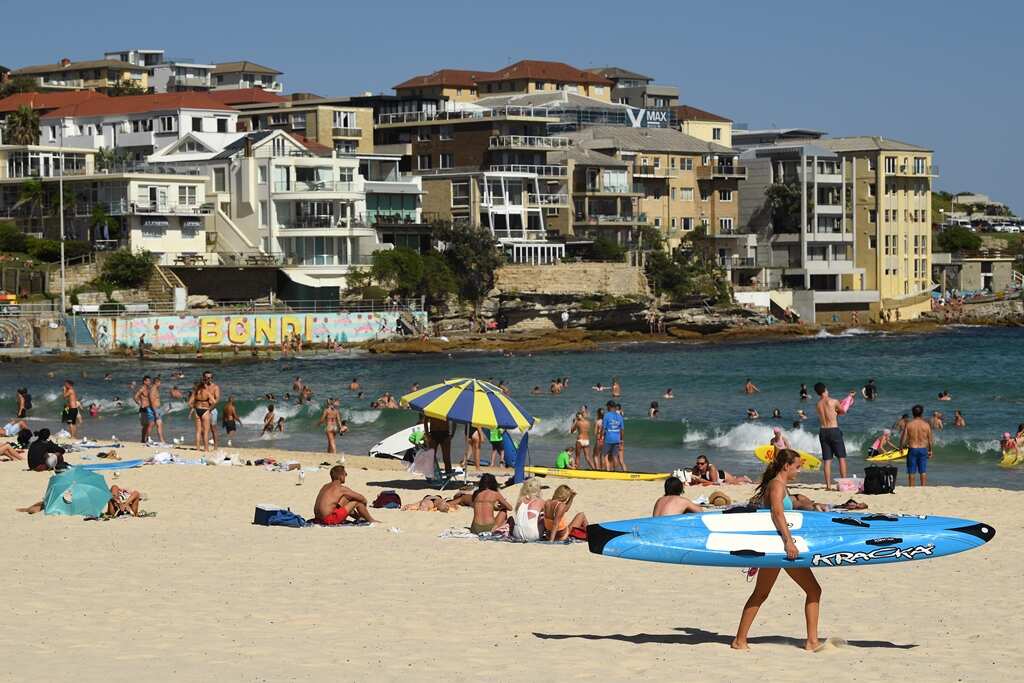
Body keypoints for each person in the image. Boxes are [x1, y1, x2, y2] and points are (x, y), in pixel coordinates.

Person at [733, 448, 822, 651]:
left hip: (774, 546)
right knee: (813, 590)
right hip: (779, 547)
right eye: (797, 467)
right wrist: (789, 542)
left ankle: (740, 640)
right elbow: (777, 513)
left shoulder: (781, 485)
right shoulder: (777, 486)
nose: (798, 471)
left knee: (761, 593)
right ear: (786, 466)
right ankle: (812, 641)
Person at [814, 382, 851, 491]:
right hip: (834, 430)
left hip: (823, 431)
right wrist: (849, 400)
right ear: (825, 389)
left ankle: (828, 486)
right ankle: (843, 483)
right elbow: (842, 411)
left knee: (827, 460)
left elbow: (827, 413)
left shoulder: (818, 404)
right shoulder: (833, 401)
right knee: (841, 458)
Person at [313, 465, 378, 525]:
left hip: (318, 519)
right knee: (356, 501)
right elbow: (362, 498)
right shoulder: (341, 489)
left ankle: (359, 518)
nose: (346, 475)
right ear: (340, 477)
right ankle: (371, 520)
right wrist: (363, 506)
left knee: (345, 500)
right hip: (328, 520)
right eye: (345, 474)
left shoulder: (325, 486)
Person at [900, 404, 933, 487]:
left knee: (911, 471)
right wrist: (930, 450)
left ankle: (911, 488)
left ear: (912, 413)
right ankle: (923, 488)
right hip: (923, 449)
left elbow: (903, 438)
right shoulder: (926, 425)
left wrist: (900, 448)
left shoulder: (909, 424)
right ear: (922, 413)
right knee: (923, 471)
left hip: (912, 449)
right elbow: (930, 439)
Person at [188, 378, 213, 452]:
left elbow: (189, 403)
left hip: (197, 410)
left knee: (198, 431)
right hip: (205, 410)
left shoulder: (195, 392)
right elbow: (214, 401)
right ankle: (206, 448)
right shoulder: (207, 392)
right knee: (206, 431)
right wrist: (209, 408)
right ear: (204, 385)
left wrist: (194, 407)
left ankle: (198, 448)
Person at [601, 402, 624, 471]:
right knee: (614, 456)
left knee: (605, 455)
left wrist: (601, 437)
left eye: (607, 406)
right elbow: (622, 429)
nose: (606, 408)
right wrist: (621, 440)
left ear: (610, 406)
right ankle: (615, 470)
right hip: (617, 439)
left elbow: (604, 428)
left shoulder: (607, 415)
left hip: (608, 438)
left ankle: (607, 470)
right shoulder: (619, 416)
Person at [133, 375, 153, 443]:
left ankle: (146, 439)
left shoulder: (149, 388)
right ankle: (144, 439)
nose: (149, 382)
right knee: (146, 425)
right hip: (144, 408)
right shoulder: (142, 388)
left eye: (150, 381)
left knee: (149, 424)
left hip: (149, 408)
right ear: (144, 381)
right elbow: (135, 396)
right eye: (148, 381)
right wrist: (139, 403)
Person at [149, 377, 166, 444]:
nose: (160, 384)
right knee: (157, 425)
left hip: (158, 409)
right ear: (157, 382)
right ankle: (161, 440)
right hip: (155, 409)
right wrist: (155, 411)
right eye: (160, 382)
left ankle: (162, 440)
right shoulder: (153, 389)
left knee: (158, 424)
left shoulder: (155, 389)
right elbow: (152, 400)